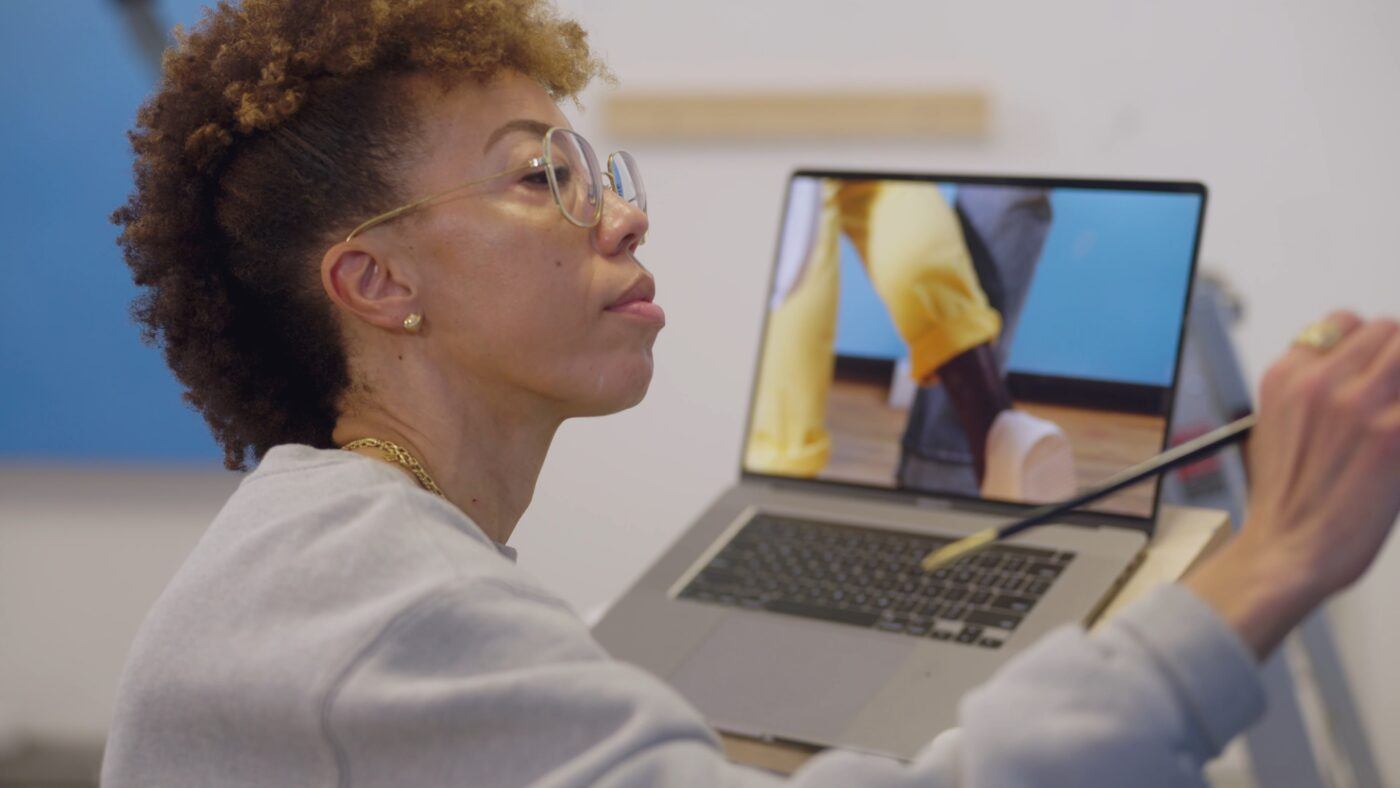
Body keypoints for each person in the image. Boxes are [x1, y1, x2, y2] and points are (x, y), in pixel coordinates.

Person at [102, 1, 1400, 785]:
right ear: (375, 282)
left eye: (597, 168)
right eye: (540, 177)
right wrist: (1265, 567)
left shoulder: (338, 556)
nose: (622, 220)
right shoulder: (385, 619)